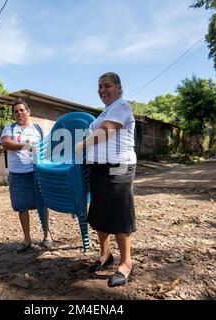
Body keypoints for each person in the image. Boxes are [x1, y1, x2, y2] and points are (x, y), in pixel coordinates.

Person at [75, 72, 137, 287]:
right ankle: (105, 255)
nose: (102, 90)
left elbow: (106, 132)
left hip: (118, 166)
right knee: (99, 212)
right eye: (100, 87)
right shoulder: (105, 111)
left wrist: (81, 146)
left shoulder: (121, 106)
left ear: (119, 87)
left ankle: (126, 262)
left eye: (107, 86)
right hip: (99, 168)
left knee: (119, 213)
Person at [0, 98, 54, 253]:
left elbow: (46, 147)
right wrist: (27, 146)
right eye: (16, 111)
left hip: (37, 172)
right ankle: (27, 238)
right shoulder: (9, 128)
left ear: (28, 112)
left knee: (42, 204)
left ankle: (47, 235)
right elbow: (6, 144)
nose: (19, 113)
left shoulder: (38, 128)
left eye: (22, 110)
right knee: (21, 206)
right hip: (17, 174)